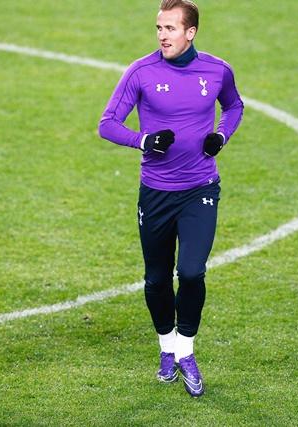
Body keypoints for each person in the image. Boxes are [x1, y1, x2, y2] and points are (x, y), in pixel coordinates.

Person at [98, 0, 243, 397]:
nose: (162, 35)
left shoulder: (217, 70)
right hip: (156, 194)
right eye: (159, 28)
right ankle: (166, 349)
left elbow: (233, 106)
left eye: (170, 28)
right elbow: (107, 124)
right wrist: (143, 140)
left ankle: (186, 352)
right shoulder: (141, 71)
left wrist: (221, 136)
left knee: (192, 272)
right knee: (157, 278)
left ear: (190, 32)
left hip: (200, 190)